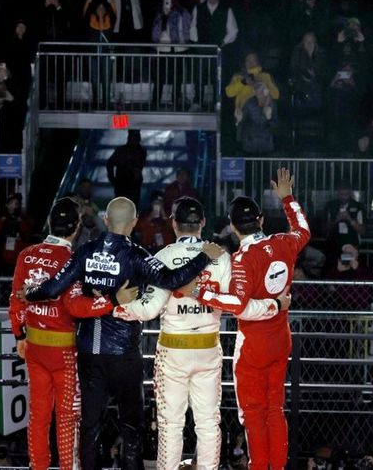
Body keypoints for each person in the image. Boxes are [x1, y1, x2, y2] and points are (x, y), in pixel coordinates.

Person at [23, 197, 225, 470]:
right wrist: (205, 256)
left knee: (90, 427)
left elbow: (52, 289)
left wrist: (30, 294)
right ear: (133, 223)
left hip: (90, 352)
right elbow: (175, 281)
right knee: (131, 427)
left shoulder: (85, 251)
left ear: (106, 221)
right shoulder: (138, 255)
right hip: (124, 354)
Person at [114, 197, 285, 470]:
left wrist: (116, 308)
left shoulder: (164, 257)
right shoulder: (221, 257)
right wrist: (274, 305)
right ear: (203, 223)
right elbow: (242, 308)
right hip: (208, 350)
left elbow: (149, 310)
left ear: (173, 223)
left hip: (172, 351)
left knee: (171, 424)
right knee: (208, 423)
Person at [8, 198, 140, 470]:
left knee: (39, 415)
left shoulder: (26, 255)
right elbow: (75, 307)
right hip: (64, 352)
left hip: (34, 347)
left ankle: (38, 467)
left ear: (49, 223)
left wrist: (19, 335)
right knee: (68, 417)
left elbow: (16, 300)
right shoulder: (72, 259)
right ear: (77, 227)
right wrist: (112, 300)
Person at [192, 169, 310, 470]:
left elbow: (239, 305)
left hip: (254, 347)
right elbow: (303, 229)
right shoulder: (285, 242)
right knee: (276, 409)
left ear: (233, 227)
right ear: (261, 220)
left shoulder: (242, 260)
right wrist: (287, 198)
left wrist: (200, 292)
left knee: (254, 413)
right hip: (281, 340)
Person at [106, 130, 147, 205]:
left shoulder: (141, 151)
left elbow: (140, 166)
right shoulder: (121, 150)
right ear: (129, 138)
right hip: (122, 185)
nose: (136, 139)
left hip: (134, 185)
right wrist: (112, 179)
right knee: (122, 207)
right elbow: (110, 164)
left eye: (137, 137)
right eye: (134, 137)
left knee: (132, 207)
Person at [324, 181, 366, 248]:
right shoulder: (330, 206)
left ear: (350, 193)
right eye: (341, 194)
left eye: (346, 194)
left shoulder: (358, 206)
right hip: (333, 243)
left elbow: (362, 231)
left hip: (352, 243)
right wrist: (336, 220)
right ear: (337, 193)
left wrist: (350, 219)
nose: (343, 197)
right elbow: (324, 229)